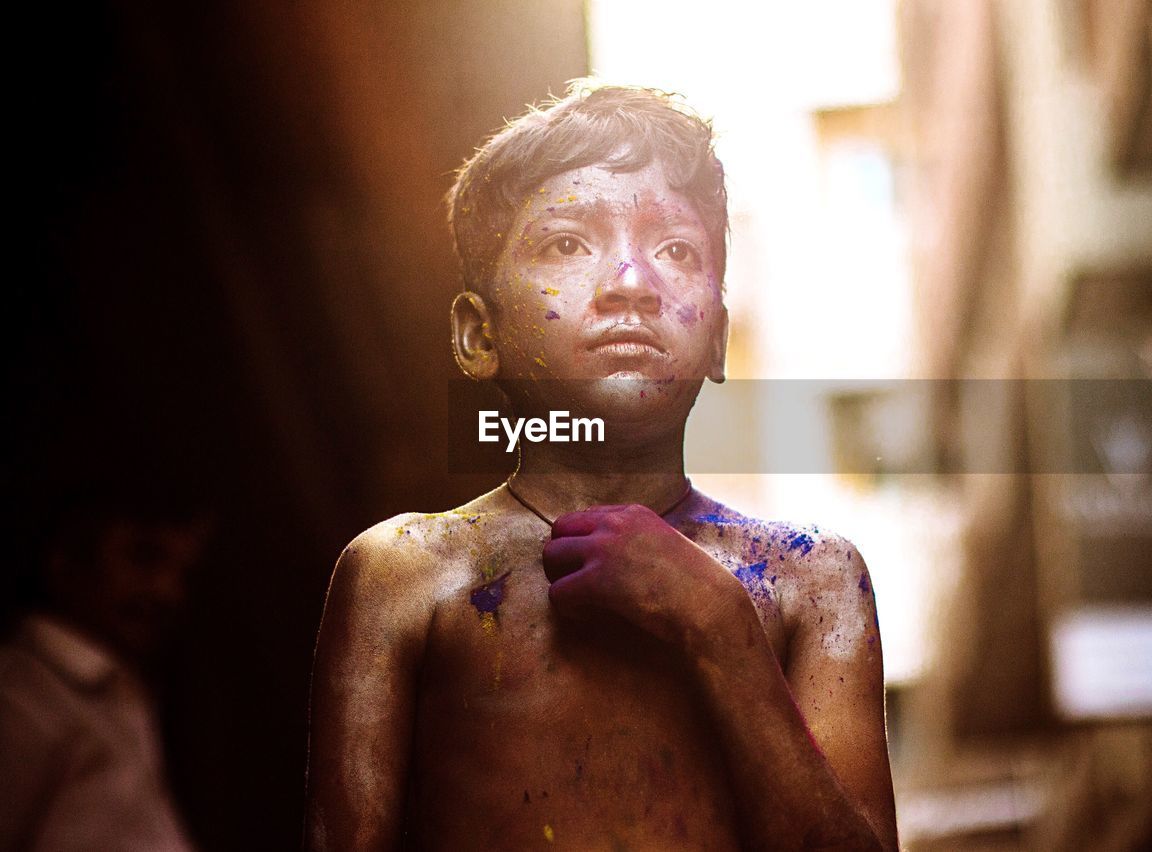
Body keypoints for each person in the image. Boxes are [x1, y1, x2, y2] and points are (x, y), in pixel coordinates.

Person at [304, 82, 898, 850]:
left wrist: (721, 634)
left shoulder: (812, 581)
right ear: (479, 337)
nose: (631, 284)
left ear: (716, 335)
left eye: (675, 250)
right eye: (567, 244)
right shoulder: (406, 576)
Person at [0, 485, 207, 851]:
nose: (168, 591)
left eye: (183, 574)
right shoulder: (22, 694)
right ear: (65, 557)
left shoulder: (119, 691)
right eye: (143, 558)